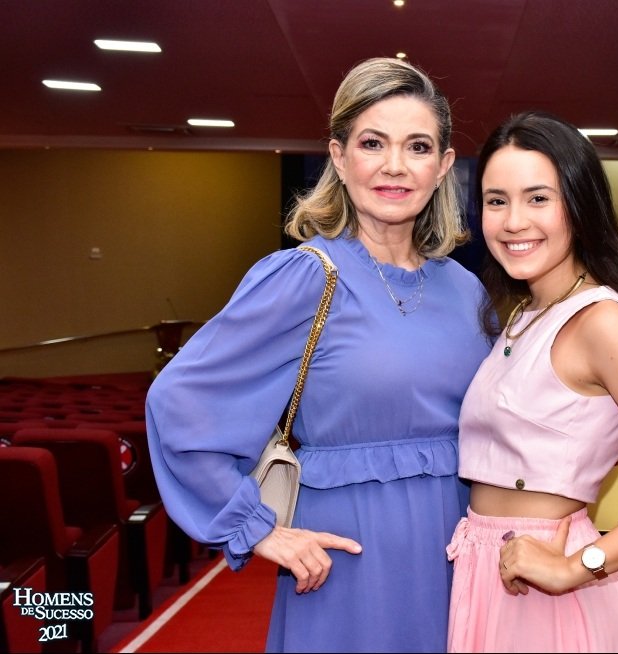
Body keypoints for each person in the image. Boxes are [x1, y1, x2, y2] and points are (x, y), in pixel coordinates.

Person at [145, 57, 491, 653]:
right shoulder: (305, 277)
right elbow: (179, 404)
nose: (394, 165)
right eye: (372, 143)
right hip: (350, 559)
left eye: (417, 146)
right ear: (339, 156)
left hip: (460, 553)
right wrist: (257, 529)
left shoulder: (467, 291)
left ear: (443, 166)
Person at [446, 111, 618, 652]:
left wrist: (579, 566)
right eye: (496, 201)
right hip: (489, 573)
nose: (513, 221)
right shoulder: (526, 313)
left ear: (579, 205)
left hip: (548, 584)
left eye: (538, 198)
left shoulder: (603, 322)